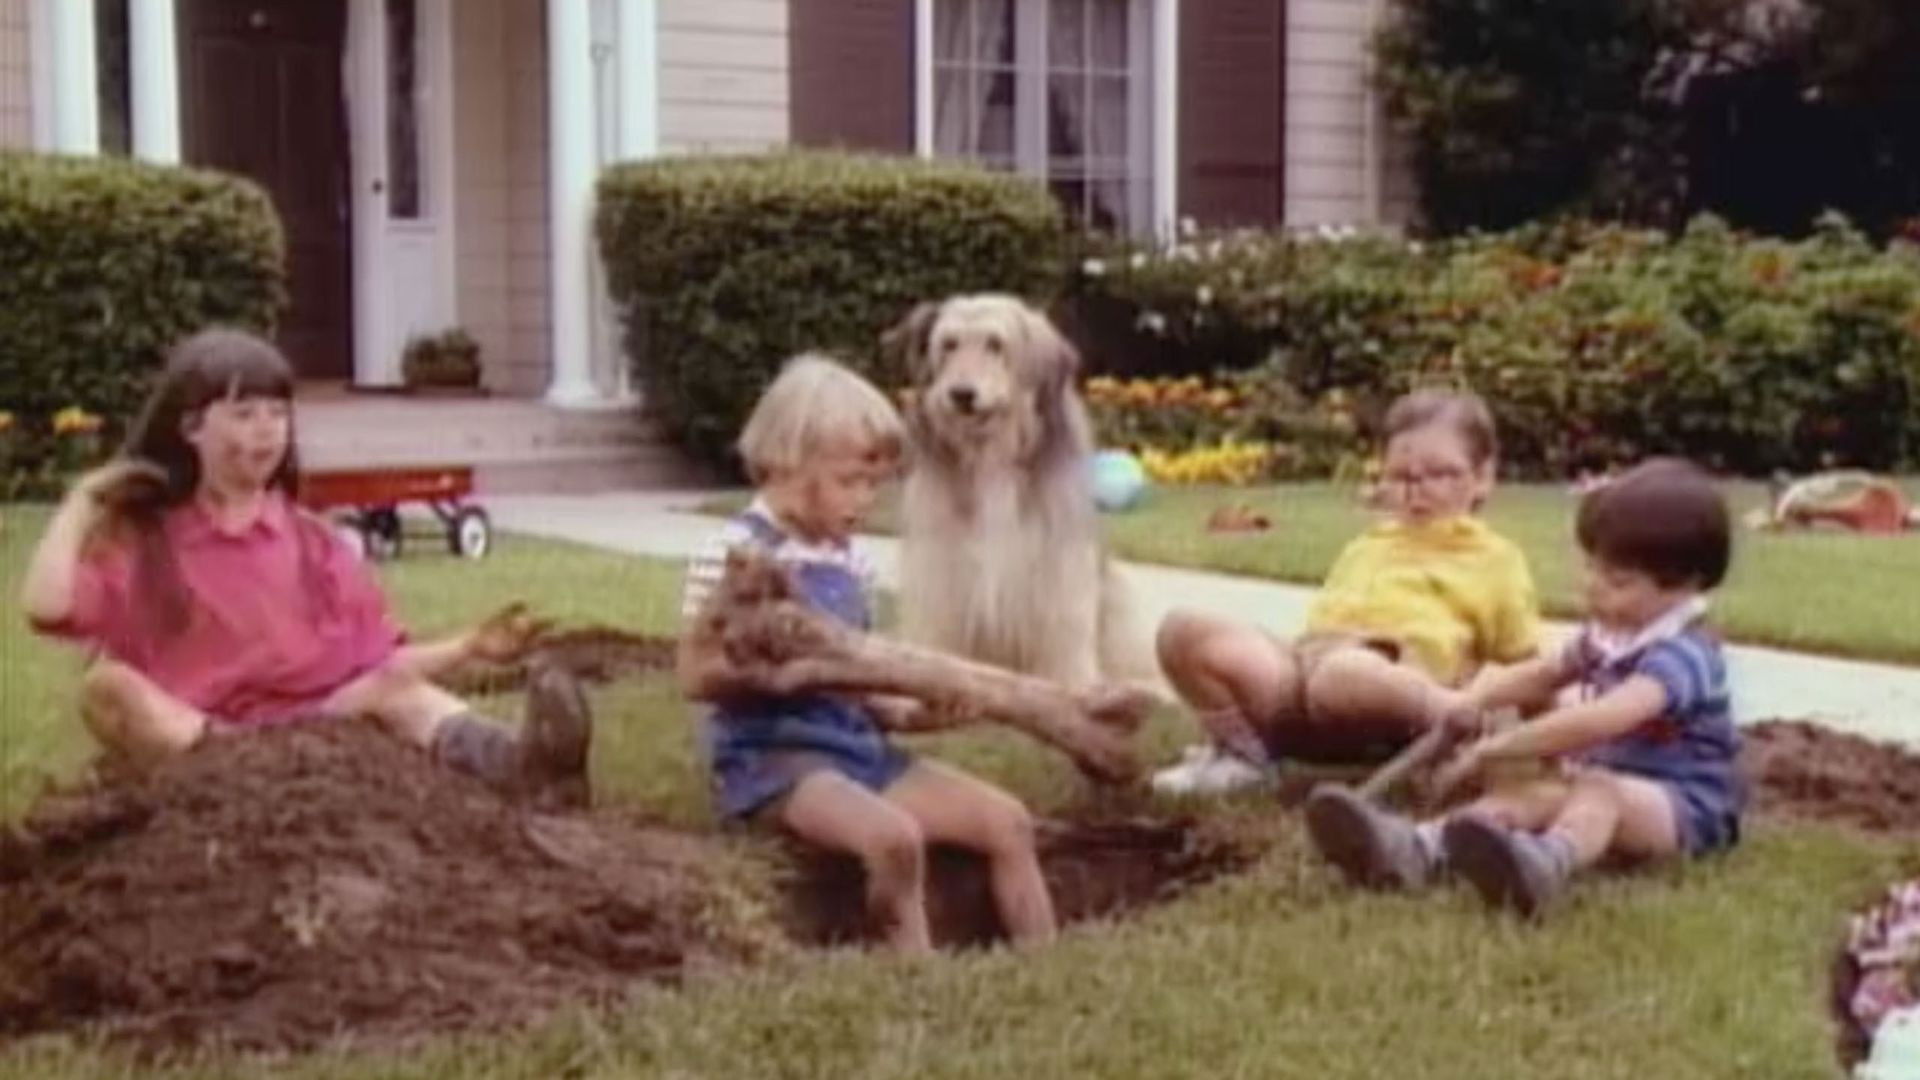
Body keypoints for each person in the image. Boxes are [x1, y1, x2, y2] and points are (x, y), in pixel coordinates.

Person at [20, 328, 591, 802]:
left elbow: (380, 662)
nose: (266, 428)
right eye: (244, 413)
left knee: (397, 690)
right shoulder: (148, 541)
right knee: (108, 686)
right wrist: (84, 502)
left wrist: (469, 646)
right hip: (208, 742)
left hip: (317, 727)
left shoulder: (315, 542)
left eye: (278, 413)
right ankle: (238, 780)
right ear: (191, 428)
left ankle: (523, 766)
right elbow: (46, 608)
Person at [677, 354, 1055, 954]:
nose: (865, 500)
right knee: (894, 840)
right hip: (778, 760)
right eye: (850, 481)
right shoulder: (734, 552)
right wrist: (773, 675)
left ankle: (1048, 966)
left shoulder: (849, 559)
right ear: (787, 463)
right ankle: (913, 979)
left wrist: (915, 714)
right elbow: (695, 676)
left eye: (874, 484)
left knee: (1008, 822)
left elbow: (861, 686)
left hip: (858, 751)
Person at [1305, 458, 1742, 917]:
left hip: (1685, 810)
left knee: (1600, 790)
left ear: (1685, 586)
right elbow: (1543, 672)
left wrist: (1500, 746)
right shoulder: (1609, 637)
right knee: (1532, 794)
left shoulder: (1684, 654)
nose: (1594, 589)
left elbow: (1603, 719)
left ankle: (1548, 861)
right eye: (1591, 569)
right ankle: (1420, 847)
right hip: (1617, 787)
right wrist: (1474, 700)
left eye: (1617, 581)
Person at [1153, 389, 1542, 795]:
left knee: (1343, 671)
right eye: (1400, 476)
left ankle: (1453, 720)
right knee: (1184, 631)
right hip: (1308, 681)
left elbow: (1530, 667)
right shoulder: (1366, 545)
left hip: (1396, 703)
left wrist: (1548, 744)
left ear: (1482, 477)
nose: (1415, 490)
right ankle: (1244, 757)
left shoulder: (1494, 560)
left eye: (1439, 474)